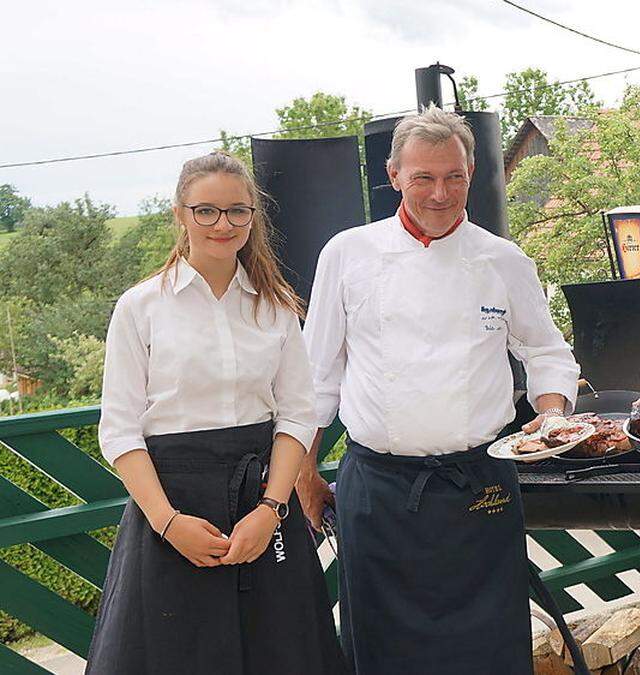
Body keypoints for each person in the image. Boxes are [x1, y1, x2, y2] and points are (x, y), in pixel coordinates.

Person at [297, 106, 581, 674]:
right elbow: (315, 377)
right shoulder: (347, 254)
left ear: (471, 173)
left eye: (453, 176)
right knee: (380, 653)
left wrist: (552, 417)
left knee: (488, 650)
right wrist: (304, 472)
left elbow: (548, 353)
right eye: (423, 177)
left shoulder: (503, 259)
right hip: (377, 490)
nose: (439, 193)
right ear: (394, 174)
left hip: (480, 485)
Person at [88, 151, 345, 674]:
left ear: (254, 217)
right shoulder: (140, 308)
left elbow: (296, 416)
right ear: (180, 214)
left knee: (284, 655)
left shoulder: (275, 307)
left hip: (264, 510)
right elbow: (119, 431)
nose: (222, 224)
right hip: (173, 514)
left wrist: (270, 510)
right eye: (206, 211)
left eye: (237, 211)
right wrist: (167, 523)